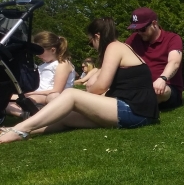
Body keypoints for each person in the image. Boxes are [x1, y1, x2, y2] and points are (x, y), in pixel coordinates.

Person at [0, 18, 157, 143]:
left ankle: (19, 130)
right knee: (65, 117)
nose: (92, 46)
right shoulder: (122, 47)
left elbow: (101, 86)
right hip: (140, 112)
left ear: (97, 36)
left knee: (71, 94)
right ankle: (17, 130)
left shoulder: (113, 47)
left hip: (135, 111)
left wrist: (90, 88)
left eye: (90, 42)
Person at [5, 31, 76, 117]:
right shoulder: (43, 65)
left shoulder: (62, 64)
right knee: (5, 99)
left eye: (39, 52)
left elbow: (57, 90)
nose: (37, 55)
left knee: (19, 99)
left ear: (53, 50)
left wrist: (31, 94)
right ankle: (28, 114)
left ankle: (32, 115)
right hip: (39, 95)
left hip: (51, 96)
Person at [126, 8, 184, 110]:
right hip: (141, 87)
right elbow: (120, 56)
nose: (139, 32)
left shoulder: (172, 38)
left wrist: (163, 78)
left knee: (162, 91)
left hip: (166, 88)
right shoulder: (134, 39)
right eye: (136, 29)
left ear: (154, 23)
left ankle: (126, 105)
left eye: (143, 29)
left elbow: (174, 62)